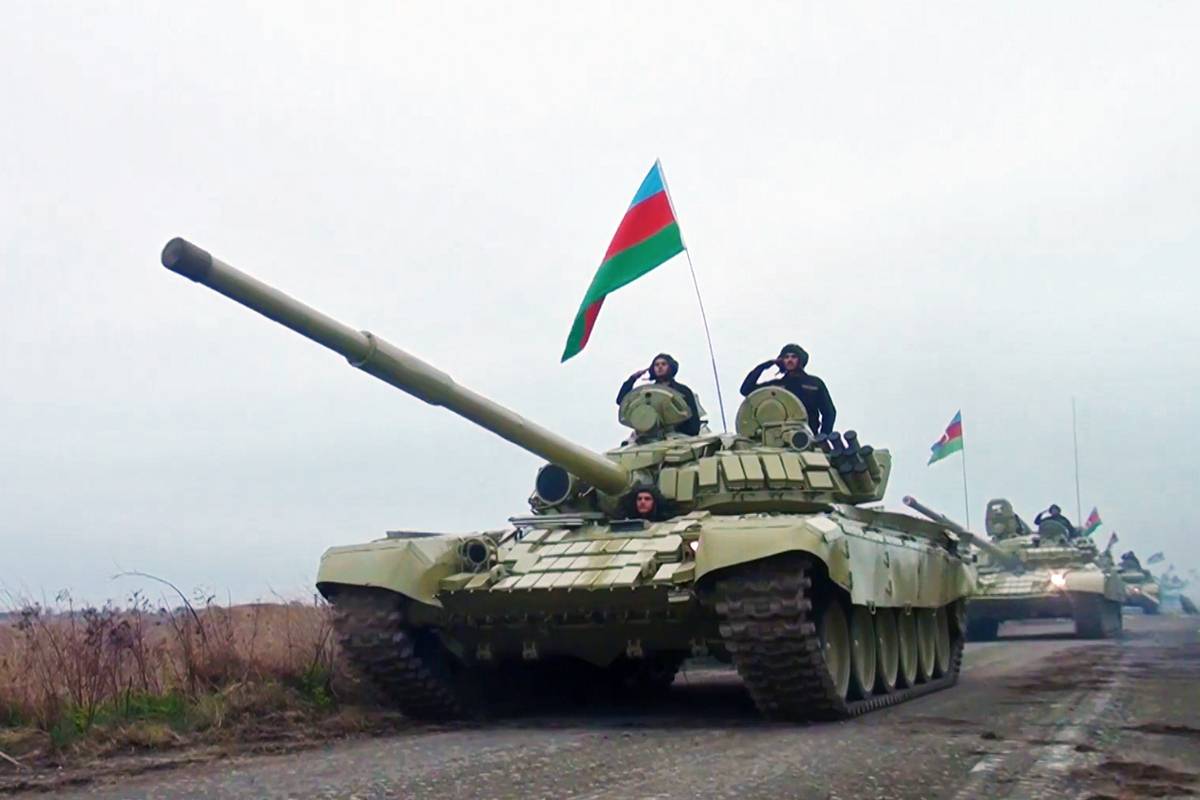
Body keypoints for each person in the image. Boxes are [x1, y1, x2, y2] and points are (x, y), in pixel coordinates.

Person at [739, 344, 836, 434]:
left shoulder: (815, 384)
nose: (790, 360)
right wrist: (765, 366)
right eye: (786, 357)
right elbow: (746, 390)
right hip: (779, 439)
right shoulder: (776, 387)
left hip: (808, 438)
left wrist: (823, 436)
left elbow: (829, 412)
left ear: (800, 360)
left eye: (794, 357)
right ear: (781, 361)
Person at [616, 353, 702, 436]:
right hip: (649, 436)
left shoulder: (683, 391)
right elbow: (622, 401)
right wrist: (632, 379)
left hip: (678, 435)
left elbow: (693, 422)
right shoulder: (647, 392)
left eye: (664, 364)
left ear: (671, 367)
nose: (660, 367)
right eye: (656, 365)